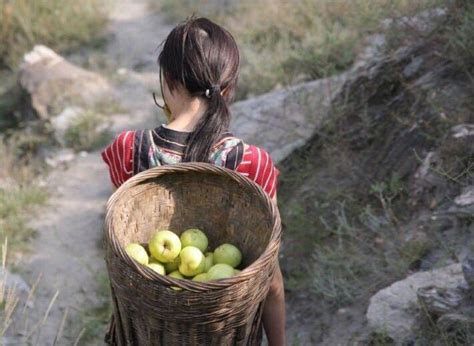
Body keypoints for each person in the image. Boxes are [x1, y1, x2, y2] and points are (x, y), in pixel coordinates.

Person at [101, 16, 286, 346]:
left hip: (147, 332)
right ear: (228, 88)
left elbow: (124, 236)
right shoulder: (252, 163)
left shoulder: (128, 150)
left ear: (168, 79)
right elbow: (269, 278)